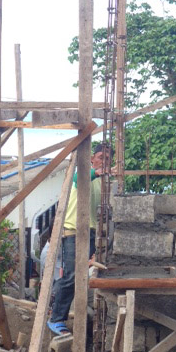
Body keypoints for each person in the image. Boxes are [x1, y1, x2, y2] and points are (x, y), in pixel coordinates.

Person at [47, 142, 111, 335]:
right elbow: (78, 178)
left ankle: (63, 309)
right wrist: (96, 173)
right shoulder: (83, 173)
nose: (104, 162)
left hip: (90, 232)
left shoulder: (101, 182)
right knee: (72, 275)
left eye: (108, 159)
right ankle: (56, 319)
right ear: (92, 158)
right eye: (101, 157)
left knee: (81, 276)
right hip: (74, 231)